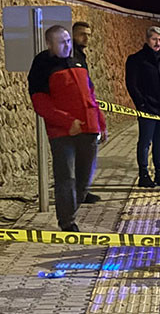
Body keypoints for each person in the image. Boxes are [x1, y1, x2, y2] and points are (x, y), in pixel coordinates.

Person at [28, 25, 107, 232]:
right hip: (62, 133)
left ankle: (71, 209)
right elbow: (40, 102)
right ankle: (67, 222)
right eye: (62, 42)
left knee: (83, 181)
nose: (67, 45)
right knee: (66, 178)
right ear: (49, 44)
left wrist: (101, 123)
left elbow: (90, 95)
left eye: (68, 41)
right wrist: (66, 121)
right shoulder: (42, 65)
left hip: (88, 130)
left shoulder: (78, 60)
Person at [125, 26, 160, 188]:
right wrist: (141, 104)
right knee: (145, 142)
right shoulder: (136, 59)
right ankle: (144, 174)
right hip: (148, 108)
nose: (157, 43)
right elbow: (132, 85)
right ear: (147, 39)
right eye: (154, 39)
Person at [68, 22, 101, 203]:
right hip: (74, 114)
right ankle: (77, 194)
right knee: (76, 157)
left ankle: (82, 191)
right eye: (82, 34)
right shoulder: (70, 55)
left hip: (84, 112)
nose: (86, 38)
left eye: (88, 34)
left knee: (84, 158)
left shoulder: (81, 54)